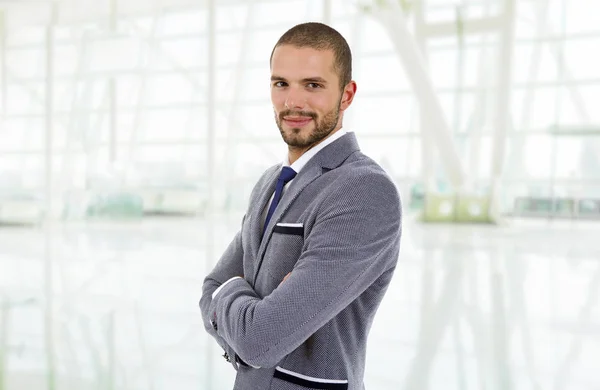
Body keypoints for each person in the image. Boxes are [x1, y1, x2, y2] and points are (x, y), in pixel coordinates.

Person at [199, 22, 402, 390]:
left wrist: (230, 294)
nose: (294, 102)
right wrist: (246, 307)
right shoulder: (268, 183)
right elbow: (209, 288)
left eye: (313, 85)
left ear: (346, 94)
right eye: (281, 84)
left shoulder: (364, 191)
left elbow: (259, 339)